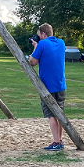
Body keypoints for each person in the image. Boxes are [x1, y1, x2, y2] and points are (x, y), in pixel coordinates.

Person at [29, 23, 67, 151]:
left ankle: (56, 142)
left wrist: (35, 46)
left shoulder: (42, 44)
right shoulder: (61, 43)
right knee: (60, 114)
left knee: (51, 115)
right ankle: (60, 140)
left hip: (47, 86)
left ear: (43, 34)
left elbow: (32, 62)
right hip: (61, 85)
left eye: (39, 35)